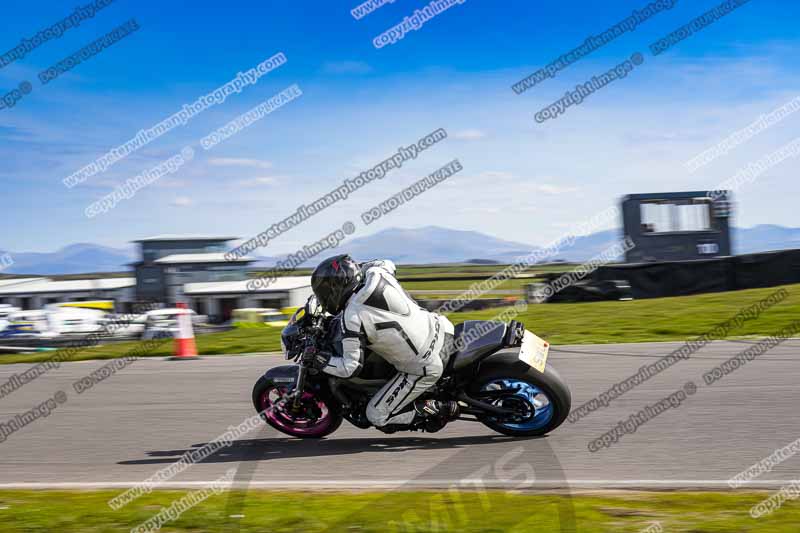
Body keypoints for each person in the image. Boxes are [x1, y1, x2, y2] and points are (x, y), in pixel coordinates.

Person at [309, 254, 458, 431]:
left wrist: (318, 359)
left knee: (376, 415)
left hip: (425, 365)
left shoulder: (352, 317)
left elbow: (350, 367)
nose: (323, 298)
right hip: (441, 327)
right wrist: (360, 268)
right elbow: (387, 263)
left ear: (337, 288)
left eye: (325, 293)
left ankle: (438, 408)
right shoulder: (377, 272)